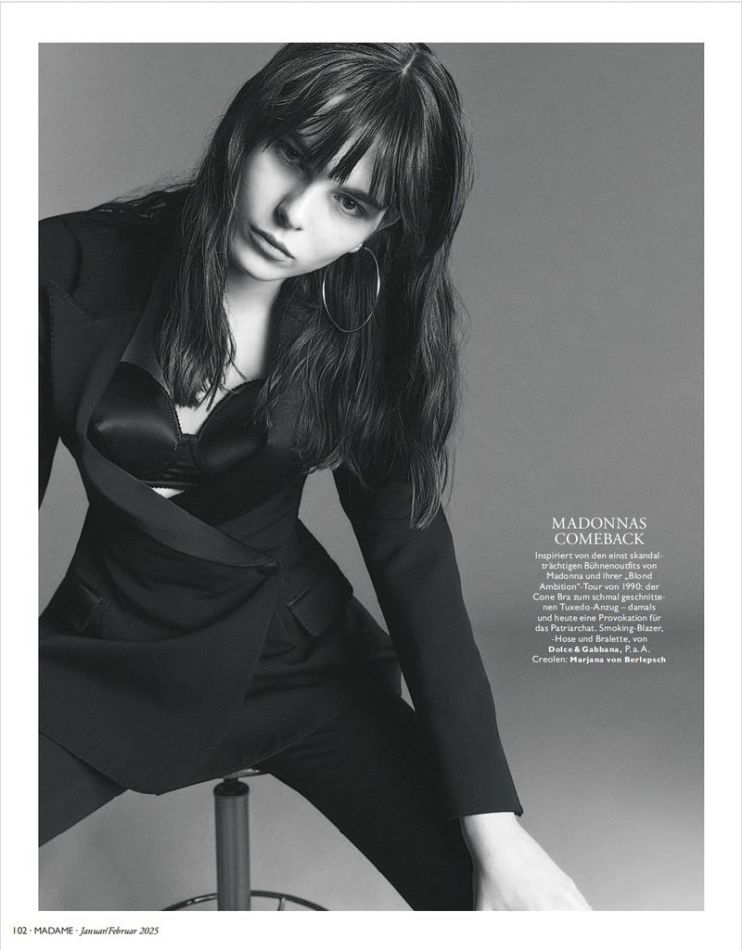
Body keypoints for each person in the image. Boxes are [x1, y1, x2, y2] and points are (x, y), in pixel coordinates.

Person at [39, 42, 590, 911]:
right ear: (244, 128)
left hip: (300, 667)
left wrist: (497, 829)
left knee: (506, 909)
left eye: (350, 201)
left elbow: (414, 565)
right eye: (292, 155)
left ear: (381, 228)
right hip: (105, 660)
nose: (294, 214)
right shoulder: (60, 268)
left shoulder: (369, 330)